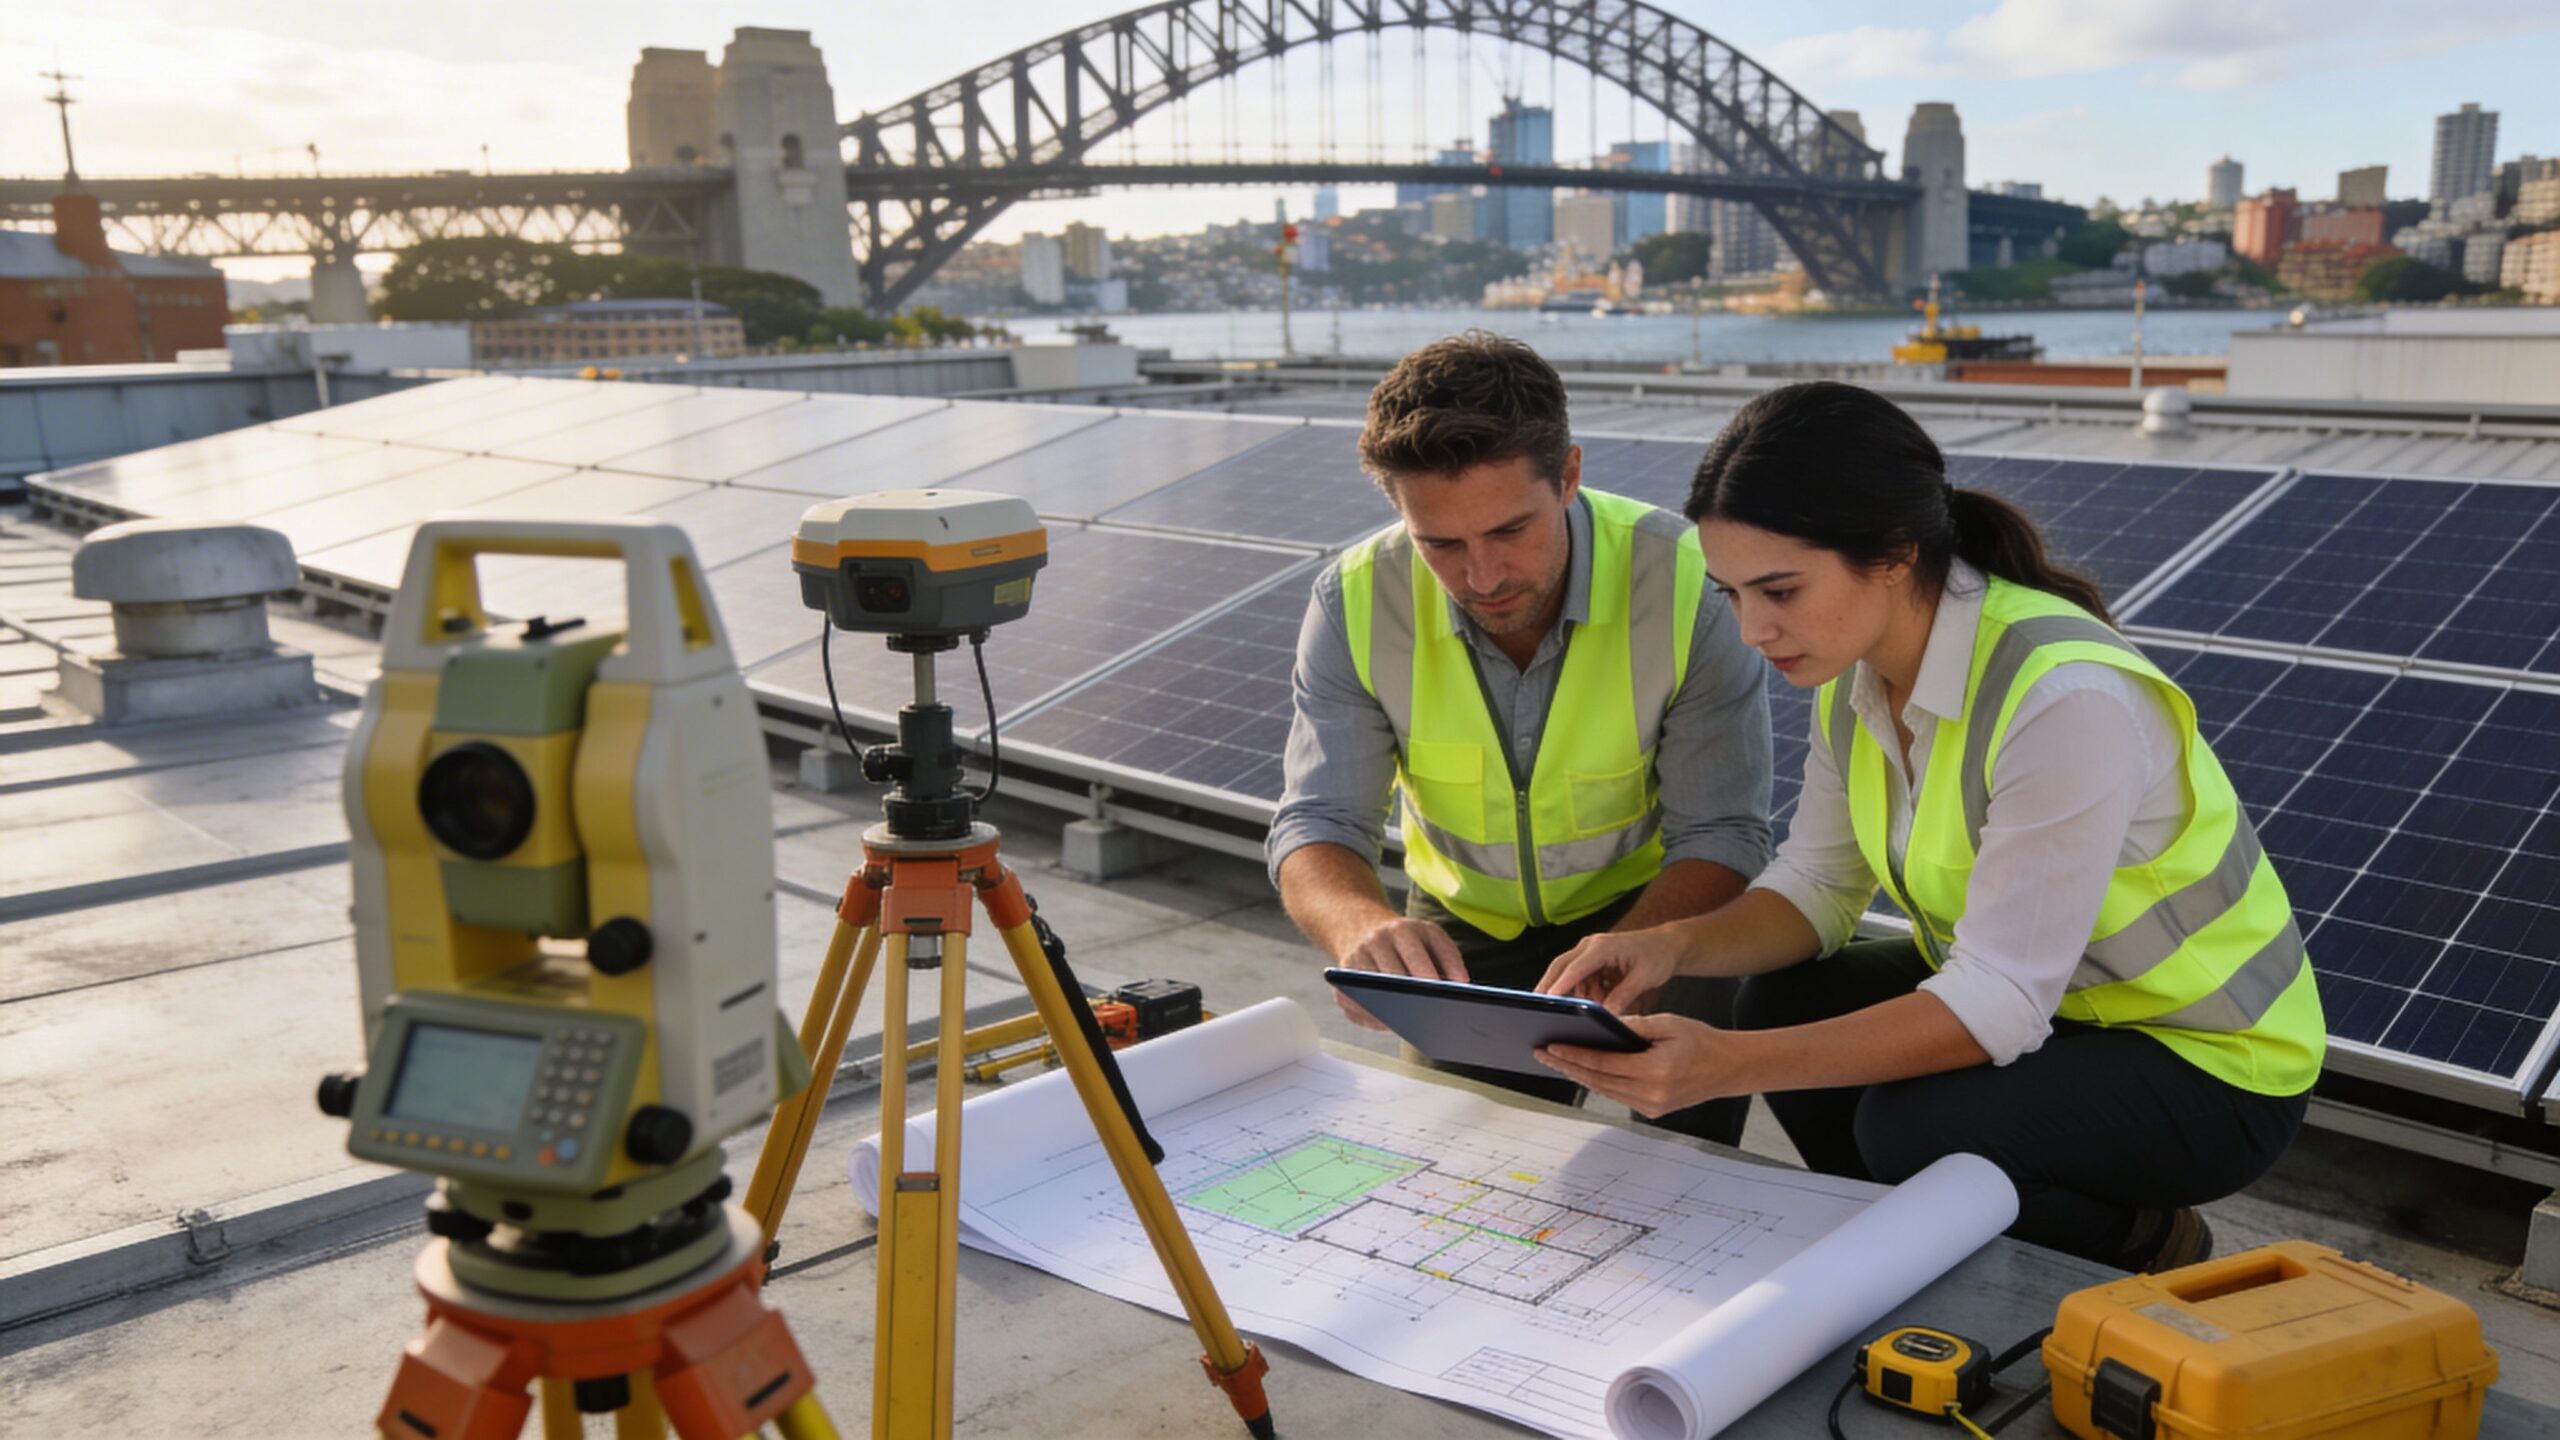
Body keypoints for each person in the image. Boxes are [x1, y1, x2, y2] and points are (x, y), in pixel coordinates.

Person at [1533, 381, 2323, 1271]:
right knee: (1788, 996)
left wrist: (1730, 1066)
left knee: (1914, 1124)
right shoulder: (1855, 677)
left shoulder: (2063, 696)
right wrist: (1673, 946)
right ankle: (1928, 1245)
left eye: (1781, 590)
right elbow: (1818, 890)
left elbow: (1998, 1001)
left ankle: (2140, 1246)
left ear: (1895, 553)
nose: (1754, 629)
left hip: (2210, 1060)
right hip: (2062, 1004)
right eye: (1731, 595)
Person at [1269, 331, 1774, 1146]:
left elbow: (1725, 831)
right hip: (1463, 937)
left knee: (1687, 1160)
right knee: (1465, 1170)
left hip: (1659, 914)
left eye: (1510, 530)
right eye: (1440, 543)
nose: (1483, 577)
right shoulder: (1353, 600)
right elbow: (1316, 822)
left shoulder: (1690, 582)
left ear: (1569, 475)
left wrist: (1646, 945)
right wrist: (1355, 924)